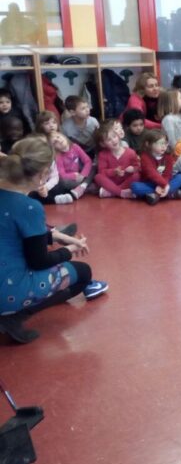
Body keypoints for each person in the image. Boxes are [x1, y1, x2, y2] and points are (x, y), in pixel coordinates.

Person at [0, 137, 107, 343]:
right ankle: (14, 316)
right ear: (42, 175)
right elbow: (38, 261)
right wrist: (69, 250)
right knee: (83, 273)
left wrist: (58, 236)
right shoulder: (29, 206)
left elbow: (15, 234)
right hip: (8, 289)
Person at [133, 130, 181, 205]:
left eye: (165, 143)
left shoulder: (168, 156)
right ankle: (170, 193)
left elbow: (167, 174)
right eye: (160, 143)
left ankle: (155, 195)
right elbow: (151, 173)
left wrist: (163, 184)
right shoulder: (145, 157)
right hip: (150, 183)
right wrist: (165, 185)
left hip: (165, 181)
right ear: (148, 144)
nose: (163, 146)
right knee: (135, 186)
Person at [94, 126, 139, 199]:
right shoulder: (103, 154)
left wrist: (133, 169)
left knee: (137, 176)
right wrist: (114, 171)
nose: (113, 140)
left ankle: (112, 192)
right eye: (109, 140)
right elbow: (102, 172)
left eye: (114, 137)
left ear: (118, 136)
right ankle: (121, 193)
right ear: (103, 144)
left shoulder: (130, 152)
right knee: (98, 177)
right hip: (111, 181)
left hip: (125, 180)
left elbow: (137, 167)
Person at [51, 131, 93, 202]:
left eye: (58, 137)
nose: (59, 140)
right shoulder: (58, 156)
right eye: (55, 142)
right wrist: (74, 175)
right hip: (72, 180)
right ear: (54, 147)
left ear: (63, 136)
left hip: (81, 176)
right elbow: (62, 175)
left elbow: (88, 161)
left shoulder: (75, 146)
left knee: (94, 167)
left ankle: (83, 186)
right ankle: (87, 186)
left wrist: (83, 175)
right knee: (63, 182)